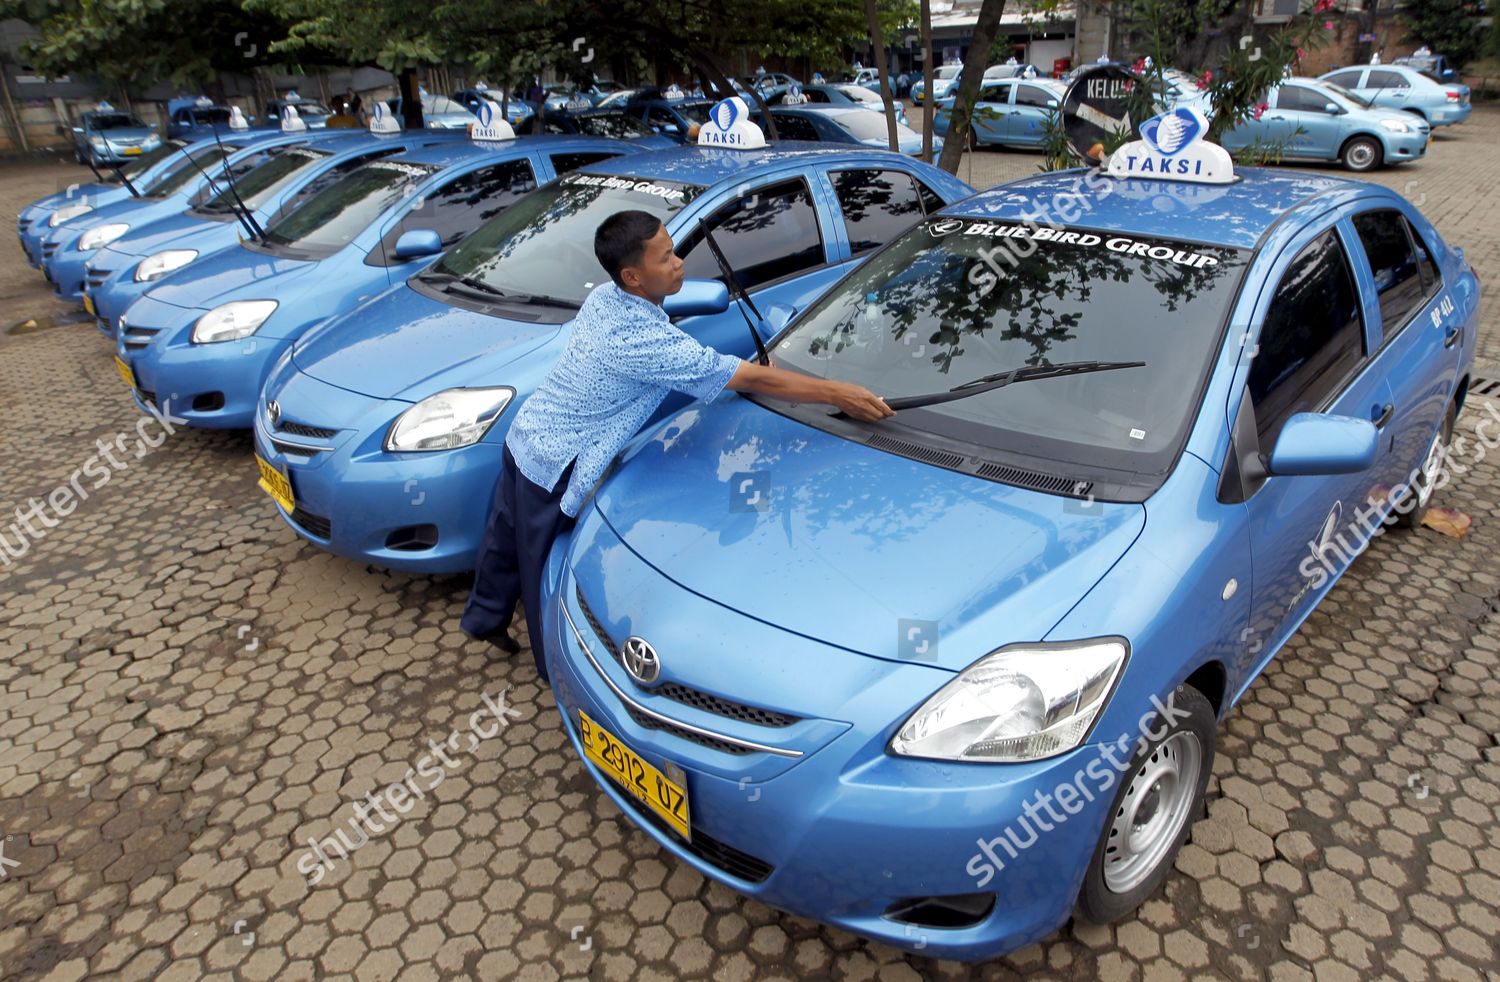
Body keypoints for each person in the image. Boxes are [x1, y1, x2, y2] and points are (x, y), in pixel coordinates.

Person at [460, 210, 893, 679]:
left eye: (674, 250)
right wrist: (838, 392)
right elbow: (741, 376)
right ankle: (556, 671)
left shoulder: (606, 298)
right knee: (543, 568)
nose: (680, 263)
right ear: (633, 275)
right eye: (666, 258)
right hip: (555, 463)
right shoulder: (644, 342)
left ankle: (483, 618)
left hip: (525, 435)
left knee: (502, 538)